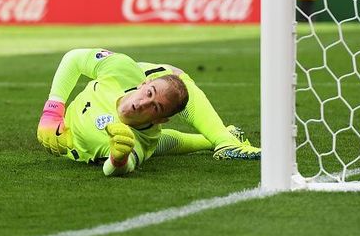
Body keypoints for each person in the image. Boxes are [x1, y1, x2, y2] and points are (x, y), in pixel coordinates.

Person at [36, 49, 260, 177]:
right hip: (131, 80)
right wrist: (53, 110)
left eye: (155, 107)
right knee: (175, 78)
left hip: (83, 145)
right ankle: (224, 138)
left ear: (160, 119)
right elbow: (74, 58)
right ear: (144, 84)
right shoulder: (123, 70)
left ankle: (224, 140)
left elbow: (119, 168)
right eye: (148, 93)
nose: (143, 103)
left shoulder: (135, 141)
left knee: (157, 138)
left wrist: (119, 157)